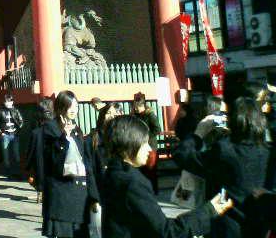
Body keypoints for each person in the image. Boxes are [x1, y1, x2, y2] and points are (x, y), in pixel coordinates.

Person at [101, 115, 232, 238]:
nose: (149, 149)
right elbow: (166, 231)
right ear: (130, 143)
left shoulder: (112, 173)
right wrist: (209, 211)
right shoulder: (132, 183)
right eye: (144, 143)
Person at [173, 97, 270, 237]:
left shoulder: (224, 150)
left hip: (226, 225)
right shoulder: (268, 152)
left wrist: (198, 133)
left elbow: (183, 156)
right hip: (260, 226)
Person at [40, 90, 99, 238]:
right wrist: (63, 138)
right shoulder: (50, 128)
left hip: (80, 194)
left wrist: (94, 195)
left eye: (76, 106)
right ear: (61, 107)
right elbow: (51, 160)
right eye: (70, 106)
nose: (74, 110)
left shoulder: (76, 129)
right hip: (62, 194)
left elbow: (86, 162)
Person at [84, 102, 123, 204]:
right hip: (100, 191)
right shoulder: (91, 140)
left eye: (115, 114)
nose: (112, 116)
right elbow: (89, 171)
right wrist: (94, 197)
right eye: (108, 113)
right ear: (102, 115)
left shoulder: (122, 139)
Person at [131, 93, 161, 193]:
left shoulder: (150, 115)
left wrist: (146, 137)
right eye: (135, 107)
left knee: (151, 170)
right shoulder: (135, 115)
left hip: (150, 147)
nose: (136, 109)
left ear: (142, 106)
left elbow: (157, 129)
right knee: (141, 169)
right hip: (139, 146)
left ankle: (154, 190)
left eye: (137, 107)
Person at [26, 98, 54, 203]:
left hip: (39, 160)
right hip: (53, 161)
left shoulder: (36, 132)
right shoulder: (58, 131)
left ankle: (40, 192)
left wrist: (28, 165)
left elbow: (31, 150)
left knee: (39, 176)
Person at [0, 94, 24, 178]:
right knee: (6, 155)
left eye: (9, 101)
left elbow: (21, 121)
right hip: (5, 135)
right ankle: (8, 173)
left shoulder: (16, 110)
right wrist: (1, 132)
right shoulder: (1, 111)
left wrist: (18, 130)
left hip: (14, 135)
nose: (8, 103)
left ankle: (17, 172)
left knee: (16, 155)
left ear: (12, 102)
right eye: (6, 101)